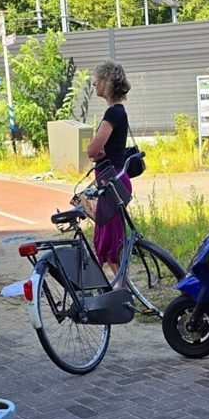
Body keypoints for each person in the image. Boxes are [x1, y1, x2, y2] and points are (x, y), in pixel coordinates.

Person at [85, 59, 132, 279]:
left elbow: (93, 150)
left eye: (98, 79)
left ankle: (124, 289)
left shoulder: (112, 114)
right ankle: (123, 287)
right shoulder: (118, 112)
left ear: (107, 82)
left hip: (111, 184)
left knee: (111, 241)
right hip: (114, 181)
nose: (94, 83)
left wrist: (92, 149)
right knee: (106, 239)